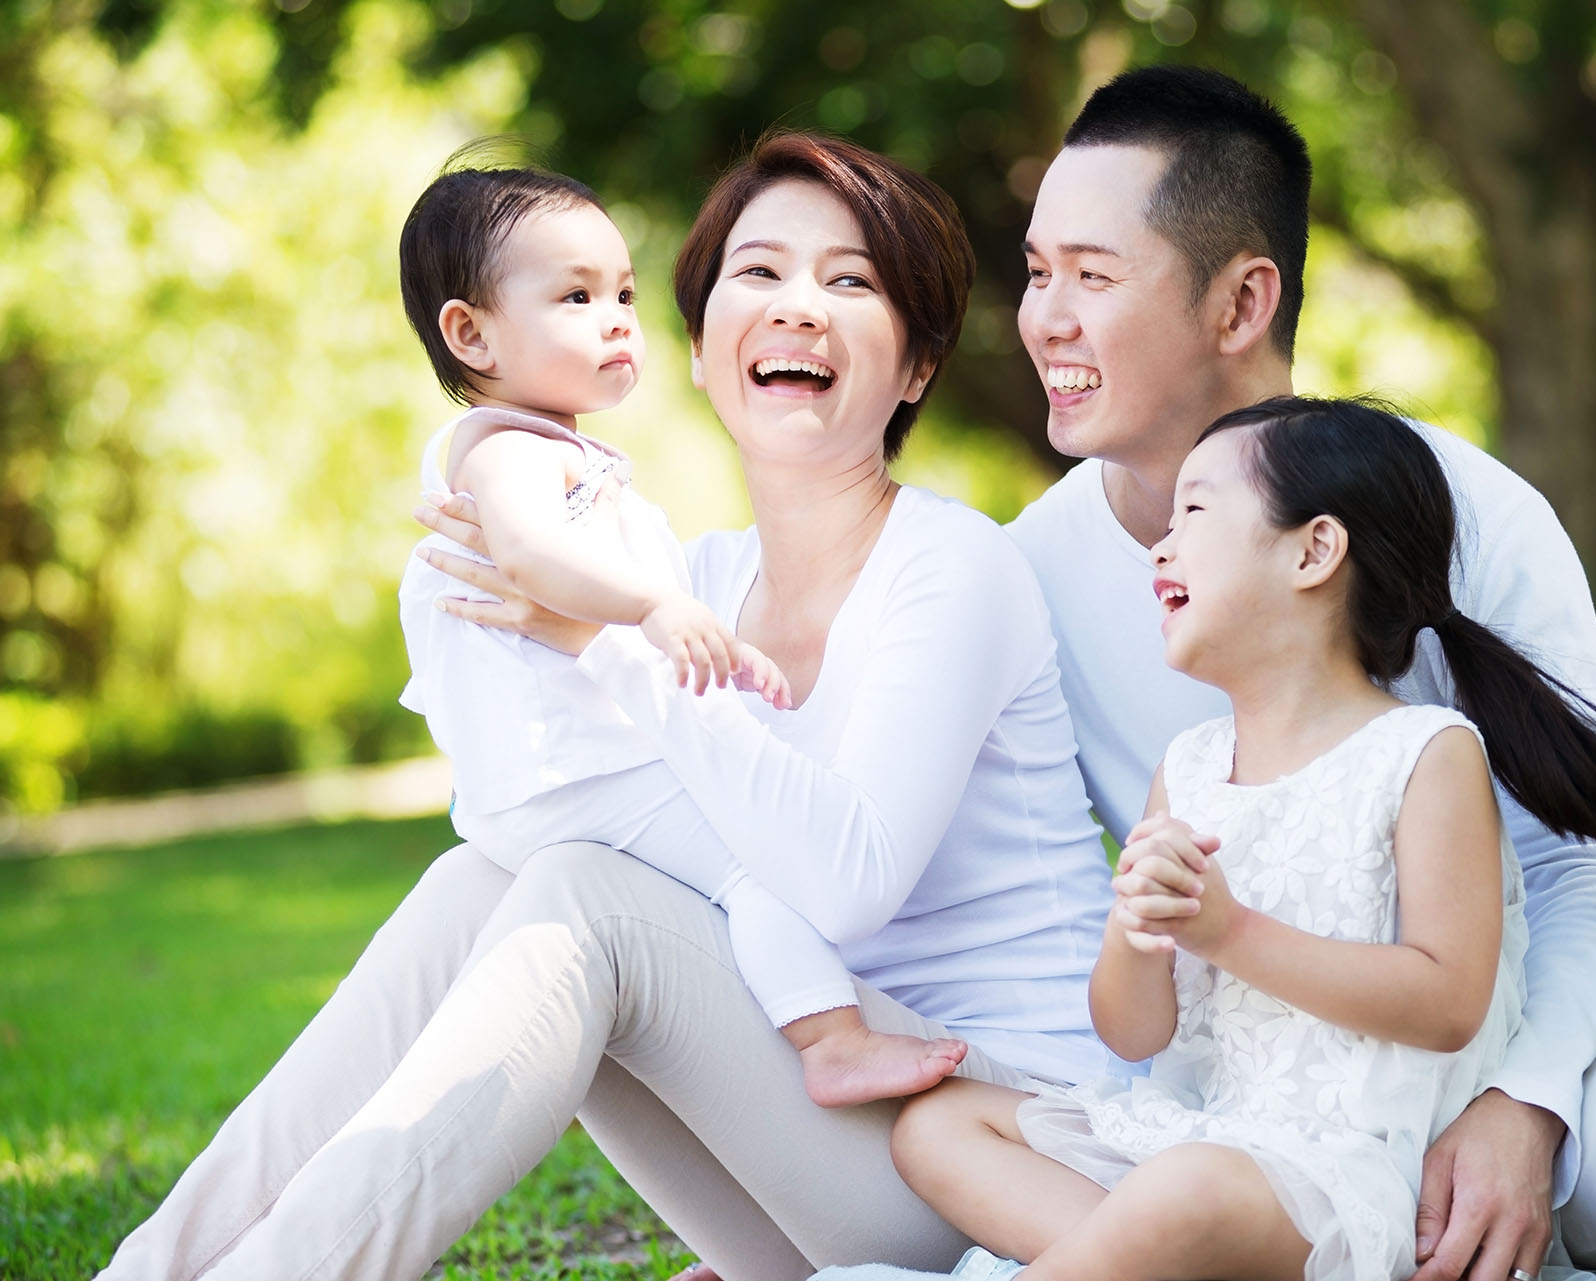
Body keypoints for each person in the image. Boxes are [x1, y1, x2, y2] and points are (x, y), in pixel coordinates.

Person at [96, 132, 1115, 1281]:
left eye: (850, 282)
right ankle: (151, 1269)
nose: (797, 309)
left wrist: (605, 642)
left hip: (994, 1144)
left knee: (589, 895)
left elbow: (847, 877)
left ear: (918, 367)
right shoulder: (702, 578)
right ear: (699, 344)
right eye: (760, 272)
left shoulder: (952, 567)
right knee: (477, 882)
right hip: (810, 1139)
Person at [1003, 64, 1596, 1278]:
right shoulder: (1022, 580)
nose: (1043, 317)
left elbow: (1595, 859)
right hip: (1376, 1111)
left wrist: (1529, 1099)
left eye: (1092, 275)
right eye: (1035, 270)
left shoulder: (1460, 505)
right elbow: (1017, 919)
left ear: (1241, 303)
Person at [891, 396, 1596, 1281]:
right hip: (1213, 1140)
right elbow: (1132, 1035)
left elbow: (1447, 1002)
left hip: (1346, 1178)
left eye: (1196, 513)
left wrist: (1229, 932)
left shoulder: (1424, 754)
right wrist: (1138, 934)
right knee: (935, 1126)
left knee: (1186, 1197)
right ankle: (1142, 1261)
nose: (1161, 546)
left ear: (1314, 550)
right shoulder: (1192, 765)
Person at [392, 159, 970, 1109]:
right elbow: (535, 559)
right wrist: (654, 611)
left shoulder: (555, 451)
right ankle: (831, 1040)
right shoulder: (506, 454)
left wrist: (710, 650)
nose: (617, 315)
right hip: (569, 775)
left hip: (554, 780)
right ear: (472, 333)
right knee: (754, 863)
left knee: (718, 875)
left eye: (621, 290)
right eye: (575, 296)